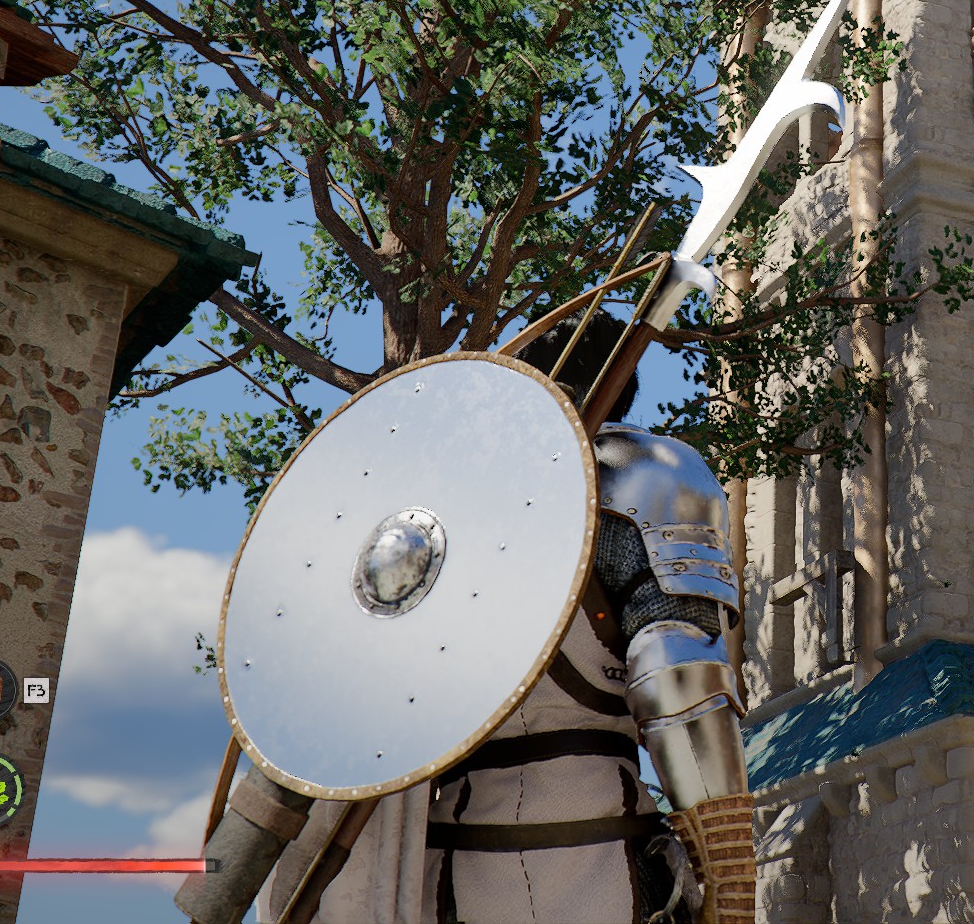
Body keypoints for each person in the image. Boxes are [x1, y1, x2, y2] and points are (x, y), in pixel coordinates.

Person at [189, 317, 755, 924]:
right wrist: (729, 873)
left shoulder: (440, 506)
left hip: (440, 871)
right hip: (595, 862)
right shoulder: (643, 474)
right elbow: (677, 672)